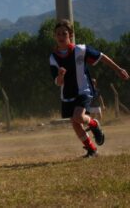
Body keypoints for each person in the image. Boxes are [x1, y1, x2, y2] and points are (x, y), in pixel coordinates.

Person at [49, 19, 129, 158]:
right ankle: (92, 150)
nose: (61, 36)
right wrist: (61, 76)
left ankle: (94, 124)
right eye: (58, 34)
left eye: (64, 33)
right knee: (75, 123)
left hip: (84, 90)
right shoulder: (53, 58)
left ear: (71, 35)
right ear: (55, 36)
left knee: (78, 116)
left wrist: (118, 69)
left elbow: (102, 57)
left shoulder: (81, 50)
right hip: (67, 94)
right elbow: (57, 82)